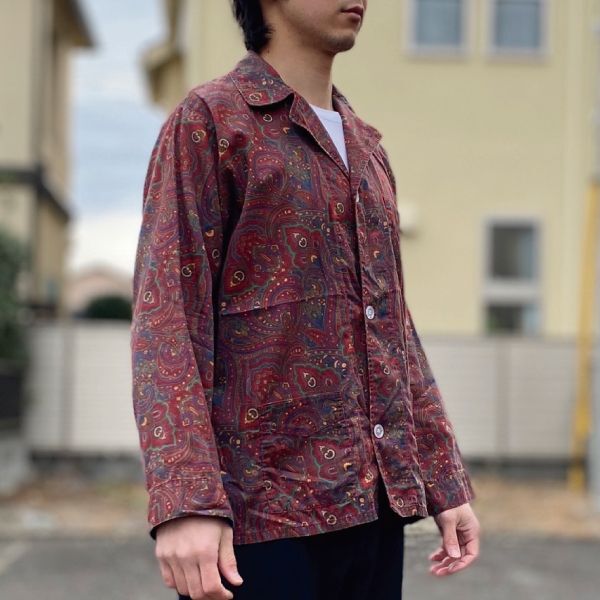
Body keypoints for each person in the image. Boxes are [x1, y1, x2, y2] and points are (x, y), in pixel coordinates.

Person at [130, 1, 481, 598]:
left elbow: (390, 324)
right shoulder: (211, 121)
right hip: (258, 518)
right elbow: (167, 317)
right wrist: (185, 501)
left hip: (373, 508)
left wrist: (442, 476)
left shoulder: (366, 148)